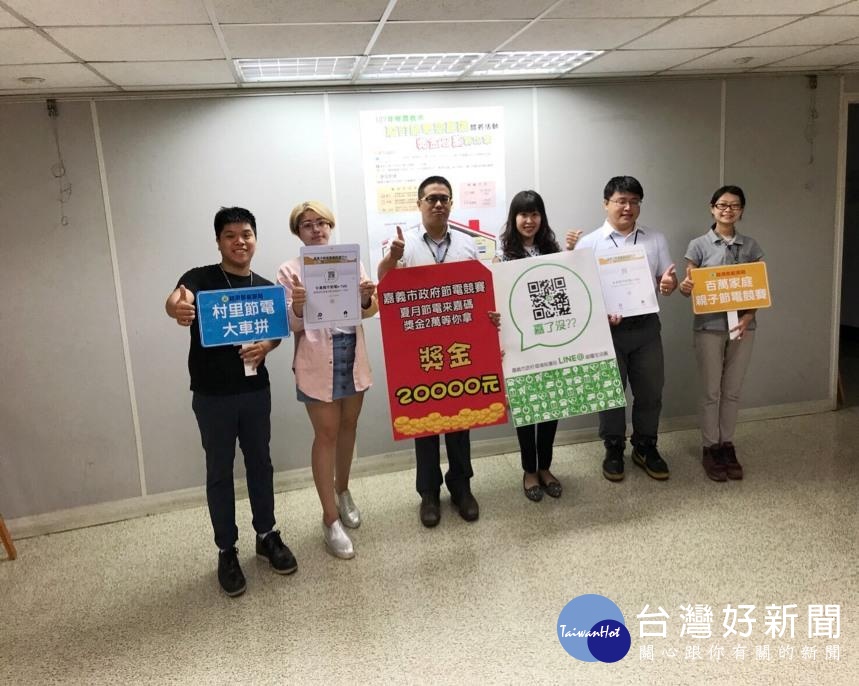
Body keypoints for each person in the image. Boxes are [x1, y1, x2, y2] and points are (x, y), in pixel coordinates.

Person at [165, 206, 296, 598]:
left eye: (246, 234)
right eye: (231, 235)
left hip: (255, 392)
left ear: (255, 239)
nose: (240, 241)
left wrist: (266, 346)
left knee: (261, 464)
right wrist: (176, 307)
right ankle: (227, 549)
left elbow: (276, 331)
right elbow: (177, 300)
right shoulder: (200, 278)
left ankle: (266, 534)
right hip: (212, 396)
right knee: (220, 472)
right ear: (219, 241)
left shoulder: (263, 287)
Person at [378, 175, 483, 527]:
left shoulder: (468, 244)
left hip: (460, 345)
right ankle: (428, 492)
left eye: (444, 198)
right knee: (424, 421)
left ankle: (461, 486)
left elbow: (481, 290)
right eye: (431, 198)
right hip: (418, 348)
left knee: (461, 418)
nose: (438, 204)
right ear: (419, 204)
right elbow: (383, 284)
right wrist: (391, 259)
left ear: (451, 203)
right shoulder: (402, 244)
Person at [277, 201, 378, 559]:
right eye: (307, 224)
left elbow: (370, 310)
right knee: (326, 434)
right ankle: (330, 518)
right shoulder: (289, 271)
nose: (316, 229)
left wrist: (366, 296)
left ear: (330, 226)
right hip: (316, 359)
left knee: (349, 426)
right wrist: (298, 305)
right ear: (298, 232)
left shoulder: (350, 261)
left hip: (352, 352)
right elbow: (288, 324)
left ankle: (343, 490)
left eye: (322, 223)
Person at [566, 176, 678, 482]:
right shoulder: (589, 243)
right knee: (610, 394)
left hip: (646, 328)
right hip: (607, 332)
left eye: (634, 201)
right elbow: (579, 293)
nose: (628, 207)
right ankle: (613, 447)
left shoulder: (655, 239)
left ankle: (645, 445)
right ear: (606, 204)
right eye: (621, 201)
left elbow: (666, 280)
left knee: (650, 391)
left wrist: (668, 285)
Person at [679, 185, 764, 482]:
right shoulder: (698, 245)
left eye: (735, 205)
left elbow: (759, 288)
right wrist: (685, 287)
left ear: (742, 210)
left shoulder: (751, 246)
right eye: (722, 205)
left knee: (732, 390)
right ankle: (710, 447)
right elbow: (689, 287)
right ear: (712, 208)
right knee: (710, 391)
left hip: (743, 327)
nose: (728, 210)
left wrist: (749, 316)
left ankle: (727, 444)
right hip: (709, 327)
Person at [494, 190, 563, 502]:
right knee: (526, 409)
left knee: (551, 407)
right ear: (514, 218)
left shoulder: (553, 251)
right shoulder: (502, 256)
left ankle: (546, 467)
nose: (529, 220)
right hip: (519, 343)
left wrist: (573, 254)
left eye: (535, 214)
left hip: (551, 340)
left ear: (542, 218)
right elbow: (497, 301)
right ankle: (529, 471)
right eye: (523, 214)